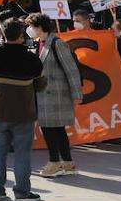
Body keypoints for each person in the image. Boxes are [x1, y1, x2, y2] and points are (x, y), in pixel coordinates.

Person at [0, 18, 46, 201]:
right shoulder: (32, 59)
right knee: (22, 152)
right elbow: (41, 85)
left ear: (2, 33)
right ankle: (22, 192)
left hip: (0, 110)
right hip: (25, 112)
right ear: (21, 35)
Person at [25, 13, 82, 177]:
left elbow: (71, 70)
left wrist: (77, 93)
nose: (30, 29)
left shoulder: (57, 43)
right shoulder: (39, 43)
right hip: (45, 94)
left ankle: (54, 162)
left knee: (50, 128)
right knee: (56, 129)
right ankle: (67, 162)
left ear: (39, 27)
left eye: (31, 26)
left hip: (56, 94)